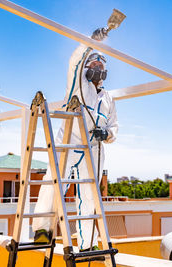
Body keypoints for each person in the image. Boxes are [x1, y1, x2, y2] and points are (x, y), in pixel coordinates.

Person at [32, 28, 118, 252]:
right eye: (93, 65)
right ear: (87, 69)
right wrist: (92, 41)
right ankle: (43, 230)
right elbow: (74, 61)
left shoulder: (109, 98)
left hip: (94, 148)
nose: (97, 68)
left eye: (101, 66)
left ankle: (87, 245)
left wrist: (106, 135)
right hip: (70, 140)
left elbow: (114, 126)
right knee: (54, 182)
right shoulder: (79, 84)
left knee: (90, 197)